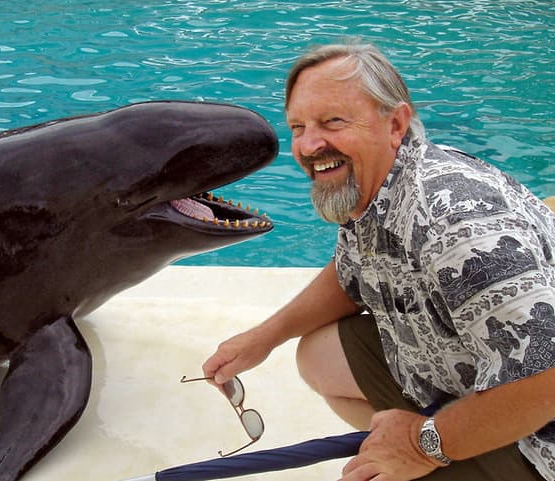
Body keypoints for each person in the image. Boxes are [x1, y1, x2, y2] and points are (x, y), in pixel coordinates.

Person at [202, 40, 555, 481]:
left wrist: (422, 445)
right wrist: (264, 337)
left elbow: (547, 378)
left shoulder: (454, 225)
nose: (310, 145)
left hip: (541, 433)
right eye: (298, 127)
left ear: (396, 123)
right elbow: (354, 273)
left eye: (332, 121)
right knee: (319, 355)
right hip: (471, 368)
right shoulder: (377, 182)